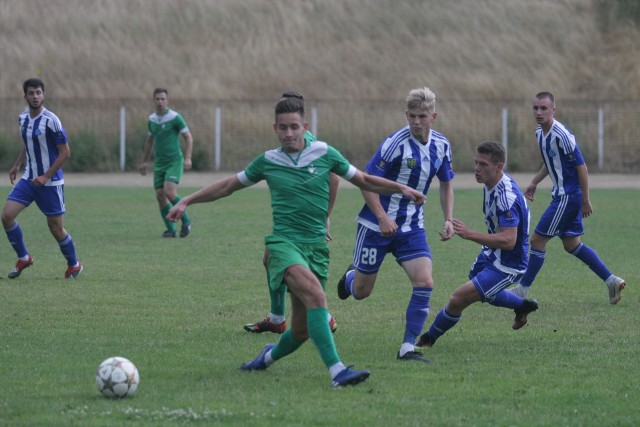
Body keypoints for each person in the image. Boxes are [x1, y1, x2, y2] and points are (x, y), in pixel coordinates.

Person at [167, 93, 425, 387]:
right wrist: (187, 200)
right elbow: (228, 186)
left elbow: (364, 180)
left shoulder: (325, 153)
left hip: (315, 248)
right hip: (283, 246)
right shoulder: (268, 161)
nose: (288, 133)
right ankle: (338, 372)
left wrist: (400, 188)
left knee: (301, 331)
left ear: (304, 126)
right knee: (317, 296)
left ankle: (265, 359)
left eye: (293, 127)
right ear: (274, 128)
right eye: (282, 127)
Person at [336, 87, 454, 363]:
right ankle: (349, 278)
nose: (415, 122)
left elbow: (446, 183)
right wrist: (382, 217)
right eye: (411, 116)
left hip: (411, 227)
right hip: (376, 226)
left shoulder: (442, 145)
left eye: (422, 116)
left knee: (424, 281)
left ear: (433, 116)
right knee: (363, 293)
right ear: (406, 115)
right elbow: (365, 182)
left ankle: (407, 348)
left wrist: (448, 218)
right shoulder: (394, 144)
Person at [416, 141, 539, 350]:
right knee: (481, 289)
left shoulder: (505, 197)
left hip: (509, 263)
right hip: (493, 253)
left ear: (499, 166)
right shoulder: (492, 183)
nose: (477, 169)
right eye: (476, 163)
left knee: (459, 298)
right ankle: (523, 305)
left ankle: (428, 340)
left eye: (483, 164)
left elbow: (509, 241)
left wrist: (469, 234)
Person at [508, 92, 626, 304]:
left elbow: (582, 166)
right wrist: (534, 182)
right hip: (565, 196)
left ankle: (522, 290)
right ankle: (612, 281)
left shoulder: (561, 135)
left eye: (544, 108)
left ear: (553, 110)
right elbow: (550, 162)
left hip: (567, 197)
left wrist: (585, 199)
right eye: (535, 108)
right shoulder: (540, 133)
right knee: (571, 244)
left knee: (536, 240)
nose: (538, 112)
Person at [243, 91, 337, 335]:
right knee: (271, 259)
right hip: (290, 223)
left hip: (307, 226)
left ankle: (320, 315)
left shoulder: (311, 143)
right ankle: (278, 318)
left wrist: (326, 216)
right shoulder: (287, 142)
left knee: (293, 267)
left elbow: (334, 177)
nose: (287, 131)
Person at [2, 78, 83, 279]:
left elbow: (65, 152)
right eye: (31, 93)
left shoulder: (51, 120)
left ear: (43, 95)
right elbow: (28, 144)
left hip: (50, 182)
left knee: (55, 227)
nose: (35, 96)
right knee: (6, 216)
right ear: (25, 96)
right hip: (29, 179)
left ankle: (74, 265)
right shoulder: (23, 118)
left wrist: (46, 176)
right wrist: (17, 164)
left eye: (38, 92)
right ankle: (24, 257)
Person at [139, 88, 194, 238]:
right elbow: (149, 141)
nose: (160, 102)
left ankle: (187, 221)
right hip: (159, 163)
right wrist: (144, 162)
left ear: (167, 100)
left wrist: (188, 157)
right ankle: (170, 229)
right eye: (157, 99)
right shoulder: (152, 120)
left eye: (163, 99)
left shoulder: (175, 117)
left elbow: (188, 137)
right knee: (159, 195)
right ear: (153, 101)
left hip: (174, 161)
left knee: (169, 192)